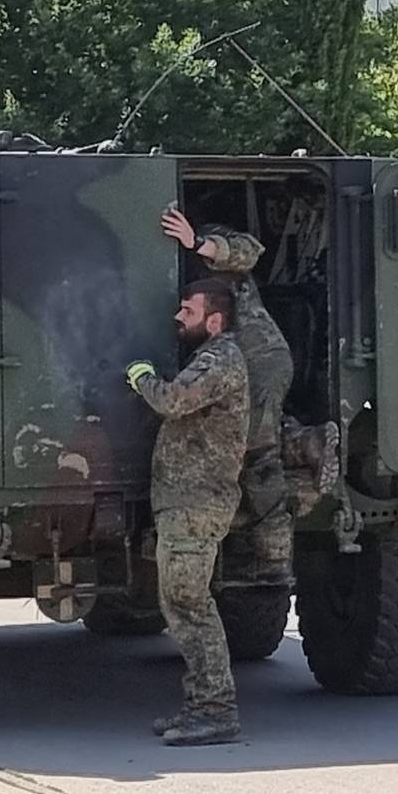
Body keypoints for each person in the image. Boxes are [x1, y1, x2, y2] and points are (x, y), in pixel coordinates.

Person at [126, 277, 250, 747]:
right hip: (187, 502)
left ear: (214, 321)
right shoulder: (211, 358)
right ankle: (201, 704)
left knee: (190, 606)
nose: (180, 317)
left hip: (197, 504)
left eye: (188, 311)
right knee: (180, 604)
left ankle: (216, 709)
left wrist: (141, 377)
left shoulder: (222, 359)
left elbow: (174, 401)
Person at [161, 206, 297, 587]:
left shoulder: (205, 240)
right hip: (221, 369)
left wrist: (197, 242)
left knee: (259, 456)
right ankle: (301, 441)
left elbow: (250, 251)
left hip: (259, 362)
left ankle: (274, 561)